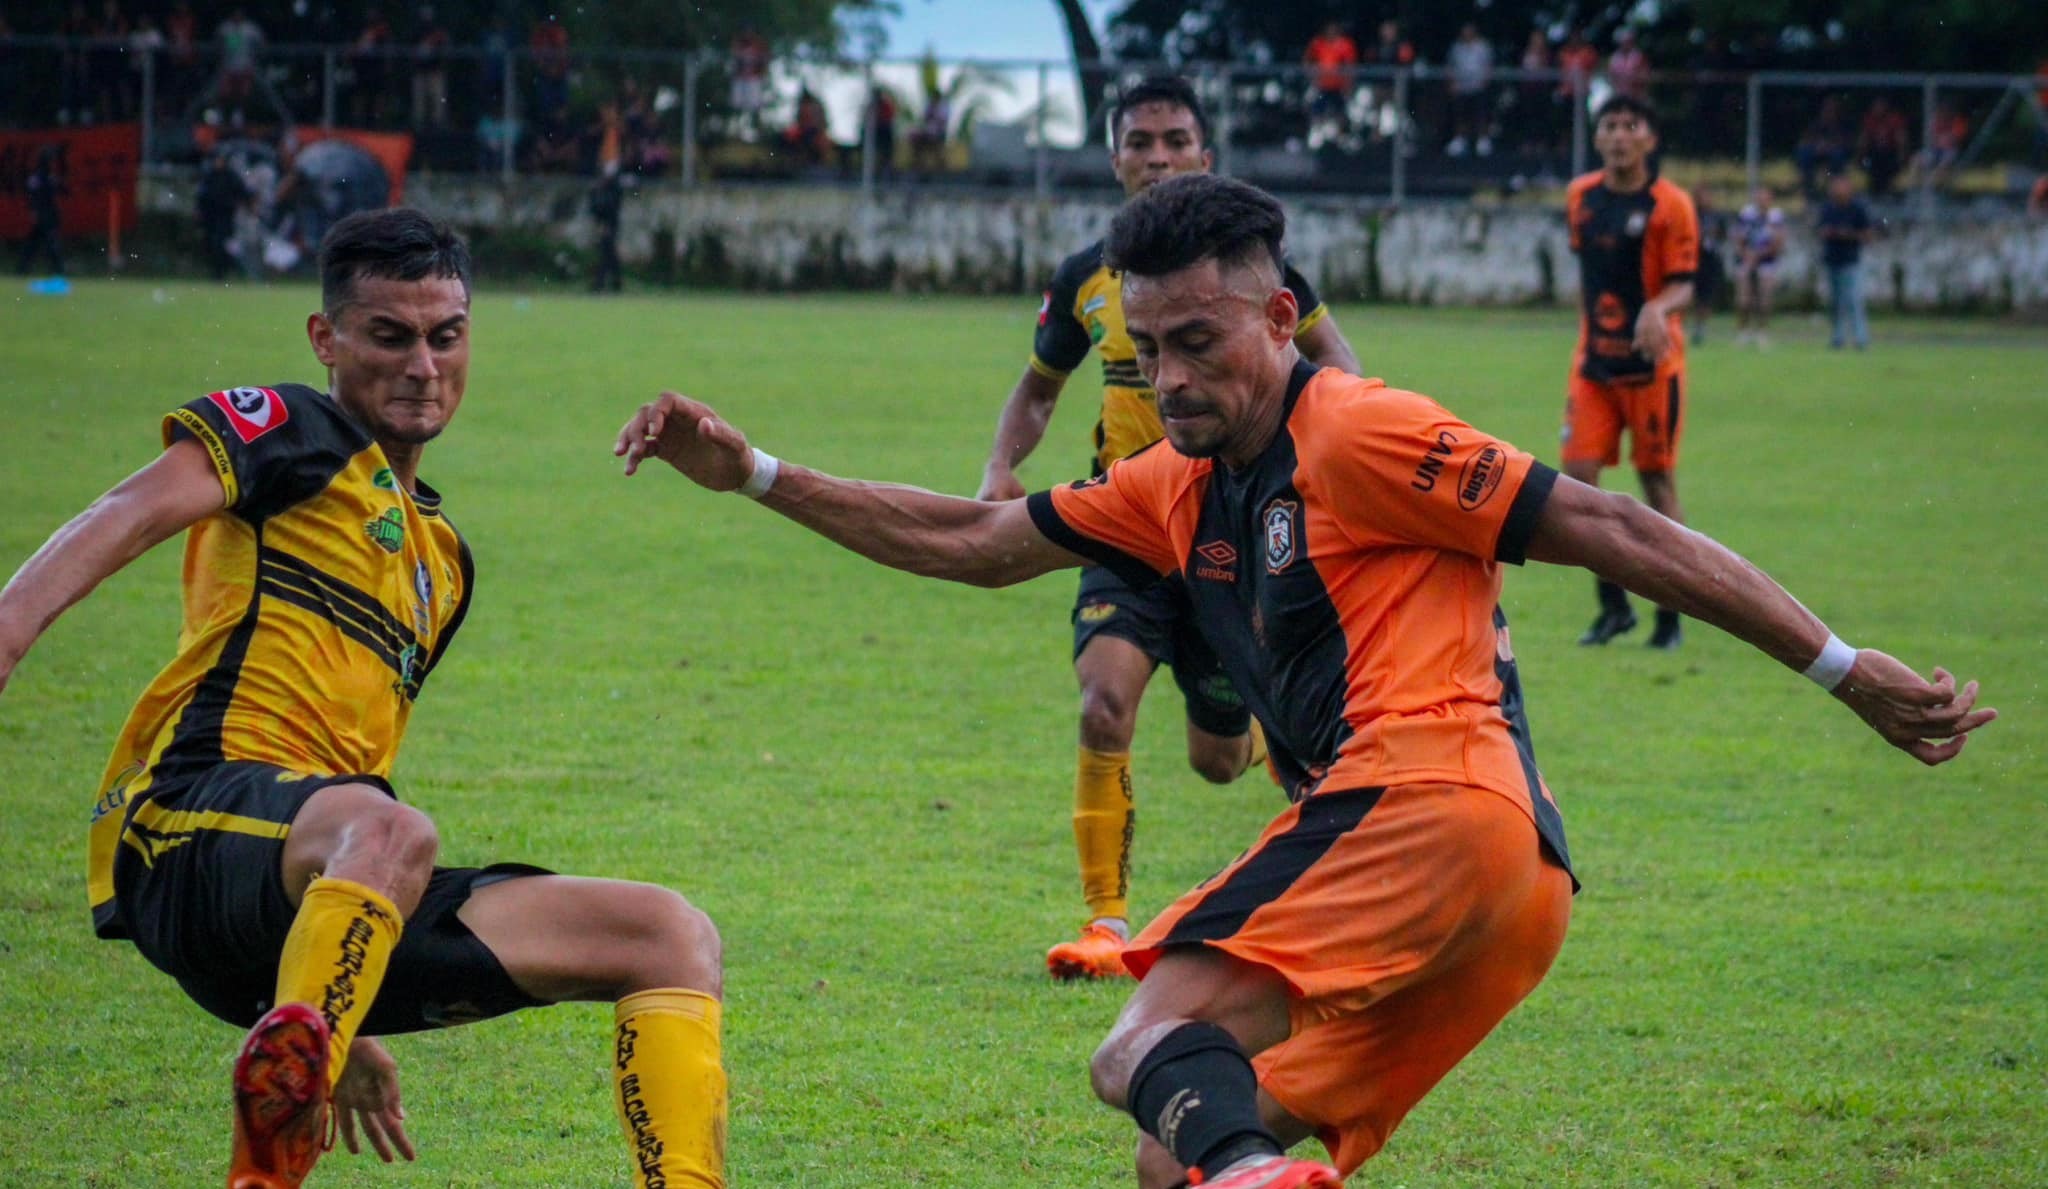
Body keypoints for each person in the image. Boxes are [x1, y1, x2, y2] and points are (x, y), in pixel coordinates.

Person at [614, 171, 1993, 1189]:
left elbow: (1618, 528)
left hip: (1430, 802)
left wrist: (1838, 665)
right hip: (1509, 887)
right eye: (1146, 349)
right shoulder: (1172, 482)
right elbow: (975, 539)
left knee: (1132, 1050)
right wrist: (761, 478)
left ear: (1280, 315)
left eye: (1198, 341)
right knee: (1182, 1152)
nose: (1169, 375)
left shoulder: (1364, 429)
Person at [0, 210, 727, 1189]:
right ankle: (272, 1155)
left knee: (667, 933)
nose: (423, 364)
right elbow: (125, 512)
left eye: (446, 334)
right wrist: (9, 628)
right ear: (326, 338)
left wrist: (334, 1003)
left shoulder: (443, 563)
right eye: (389, 335)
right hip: (184, 828)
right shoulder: (292, 430)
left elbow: (358, 773)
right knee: (389, 827)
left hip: (316, 883)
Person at [974, 76, 1361, 983]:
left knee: (1220, 760)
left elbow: (1336, 365)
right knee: (1104, 699)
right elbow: (1038, 390)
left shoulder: (1259, 273)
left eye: (1174, 140)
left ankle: (1258, 739)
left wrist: (1334, 463)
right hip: (1126, 524)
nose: (1157, 158)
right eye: (1139, 142)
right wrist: (1000, 468)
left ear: (1204, 155)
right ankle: (1104, 925)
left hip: (1229, 538)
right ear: (1114, 159)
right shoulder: (1084, 278)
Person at [1562, 96, 1696, 650]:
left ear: (1649, 139)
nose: (1618, 135)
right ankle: (1614, 608)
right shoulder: (1581, 198)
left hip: (1651, 370)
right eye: (1609, 126)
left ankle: (1671, 616)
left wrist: (1656, 308)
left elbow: (1686, 281)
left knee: (1657, 486)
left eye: (1629, 126)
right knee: (1576, 484)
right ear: (1598, 139)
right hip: (1594, 366)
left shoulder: (1671, 205)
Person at [1815, 172, 1875, 350]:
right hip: (1832, 259)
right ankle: (1837, 337)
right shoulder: (1828, 208)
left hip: (1851, 260)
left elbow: (1868, 234)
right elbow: (1820, 230)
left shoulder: (1858, 209)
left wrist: (1847, 234)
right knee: (1835, 302)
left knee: (1854, 300)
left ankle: (1861, 338)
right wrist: (1830, 233)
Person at [1732, 185, 1786, 347]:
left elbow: (1779, 241)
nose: (1762, 200)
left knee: (1765, 298)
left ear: (1771, 199)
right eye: (1760, 197)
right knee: (1744, 299)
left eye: (1765, 197)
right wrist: (1747, 255)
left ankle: (1762, 332)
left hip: (1767, 260)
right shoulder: (1747, 214)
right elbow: (1738, 238)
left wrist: (1760, 255)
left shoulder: (1776, 217)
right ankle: (1743, 331)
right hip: (1746, 259)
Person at [197, 148, 250, 281]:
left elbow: (243, 192)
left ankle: (223, 272)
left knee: (221, 243)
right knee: (210, 244)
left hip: (226, 216)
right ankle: (217, 272)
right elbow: (202, 197)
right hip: (210, 216)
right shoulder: (209, 176)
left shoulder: (231, 176)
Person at [1302, 22, 1358, 142]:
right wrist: (1311, 77)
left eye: (1334, 29)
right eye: (1329, 29)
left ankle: (1340, 138)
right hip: (1321, 86)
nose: (1331, 32)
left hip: (1338, 87)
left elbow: (1350, 66)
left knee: (1340, 112)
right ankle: (1317, 135)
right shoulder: (1318, 43)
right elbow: (1307, 61)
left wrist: (1348, 85)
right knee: (1315, 109)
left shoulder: (1345, 44)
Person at [16, 145, 67, 277]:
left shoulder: (46, 177)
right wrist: (35, 211)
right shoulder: (40, 177)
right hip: (44, 214)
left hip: (47, 214)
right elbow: (34, 196)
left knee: (36, 243)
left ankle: (23, 268)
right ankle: (58, 270)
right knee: (48, 243)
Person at [1445, 22, 1495, 157]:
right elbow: (1450, 66)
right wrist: (1452, 83)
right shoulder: (1456, 48)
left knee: (1480, 114)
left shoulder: (1483, 47)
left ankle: (1482, 141)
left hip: (1478, 87)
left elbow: (1489, 65)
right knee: (1460, 114)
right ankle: (1460, 140)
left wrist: (1485, 82)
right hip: (1461, 88)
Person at [1688, 185, 1727, 346]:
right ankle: (1686, 326)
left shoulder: (1716, 217)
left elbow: (1723, 236)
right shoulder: (1691, 214)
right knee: (1689, 294)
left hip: (1710, 260)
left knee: (1706, 297)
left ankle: (1700, 328)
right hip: (1694, 259)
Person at [1857, 97, 1909, 198]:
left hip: (1890, 152)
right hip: (1874, 153)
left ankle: (1889, 191)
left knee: (1887, 162)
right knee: (1871, 163)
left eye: (1880, 106)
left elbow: (1901, 139)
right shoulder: (1870, 119)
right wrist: (1860, 155)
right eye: (1876, 106)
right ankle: (1877, 192)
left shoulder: (1894, 118)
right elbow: (1864, 139)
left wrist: (1902, 155)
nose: (1878, 108)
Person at [590, 162, 624, 293]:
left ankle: (601, 283)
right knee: (609, 255)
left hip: (609, 225)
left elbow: (609, 209)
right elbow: (595, 209)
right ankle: (615, 283)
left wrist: (606, 226)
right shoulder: (602, 189)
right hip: (605, 225)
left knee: (607, 255)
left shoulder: (613, 190)